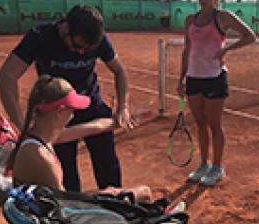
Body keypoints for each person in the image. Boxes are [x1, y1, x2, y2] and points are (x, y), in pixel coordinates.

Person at [0, 4, 134, 192]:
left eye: (88, 49)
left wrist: (122, 107)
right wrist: (22, 125)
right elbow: (5, 77)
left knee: (109, 172)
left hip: (90, 105)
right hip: (58, 114)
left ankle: (117, 213)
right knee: (66, 179)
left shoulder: (95, 37)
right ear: (66, 28)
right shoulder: (40, 37)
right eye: (77, 46)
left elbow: (120, 71)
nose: (81, 52)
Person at [9, 75, 152, 203]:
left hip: (50, 210)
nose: (73, 115)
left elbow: (94, 127)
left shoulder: (42, 137)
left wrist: (127, 120)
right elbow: (66, 205)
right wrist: (104, 194)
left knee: (127, 192)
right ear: (59, 112)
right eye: (71, 110)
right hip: (59, 220)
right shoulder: (40, 157)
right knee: (143, 193)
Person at [177, 0, 256, 186]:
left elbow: (250, 36)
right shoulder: (190, 20)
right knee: (200, 123)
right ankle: (203, 164)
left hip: (214, 78)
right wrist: (181, 78)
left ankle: (217, 167)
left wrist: (227, 50)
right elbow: (187, 50)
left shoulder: (223, 17)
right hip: (194, 77)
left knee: (214, 124)